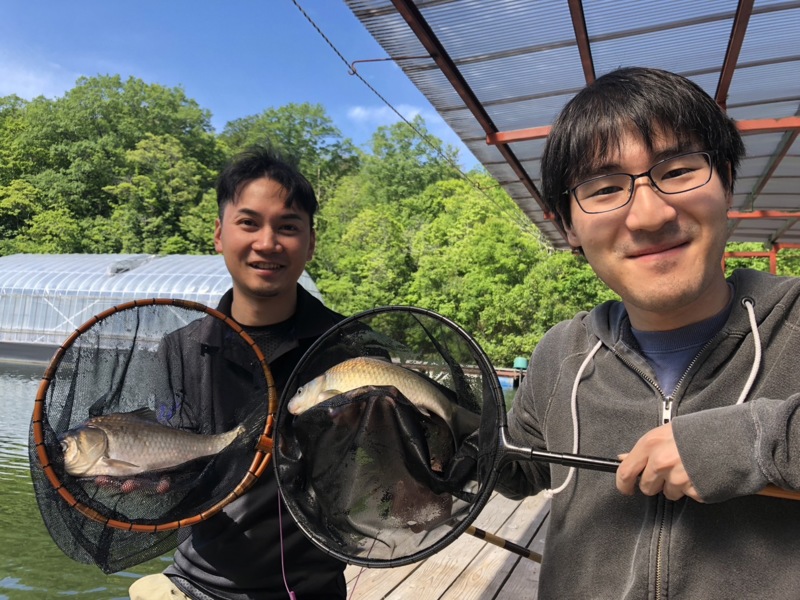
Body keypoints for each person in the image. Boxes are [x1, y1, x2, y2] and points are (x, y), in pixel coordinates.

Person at [497, 67, 800, 599]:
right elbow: (519, 470)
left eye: (680, 170)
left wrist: (749, 442)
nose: (650, 214)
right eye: (606, 187)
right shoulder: (560, 353)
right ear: (568, 225)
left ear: (726, 179)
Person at [129, 146, 348, 599]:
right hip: (194, 583)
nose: (267, 242)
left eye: (287, 227)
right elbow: (177, 460)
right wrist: (149, 478)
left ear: (310, 242)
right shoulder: (180, 349)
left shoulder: (345, 348)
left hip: (310, 588)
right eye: (249, 223)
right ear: (219, 234)